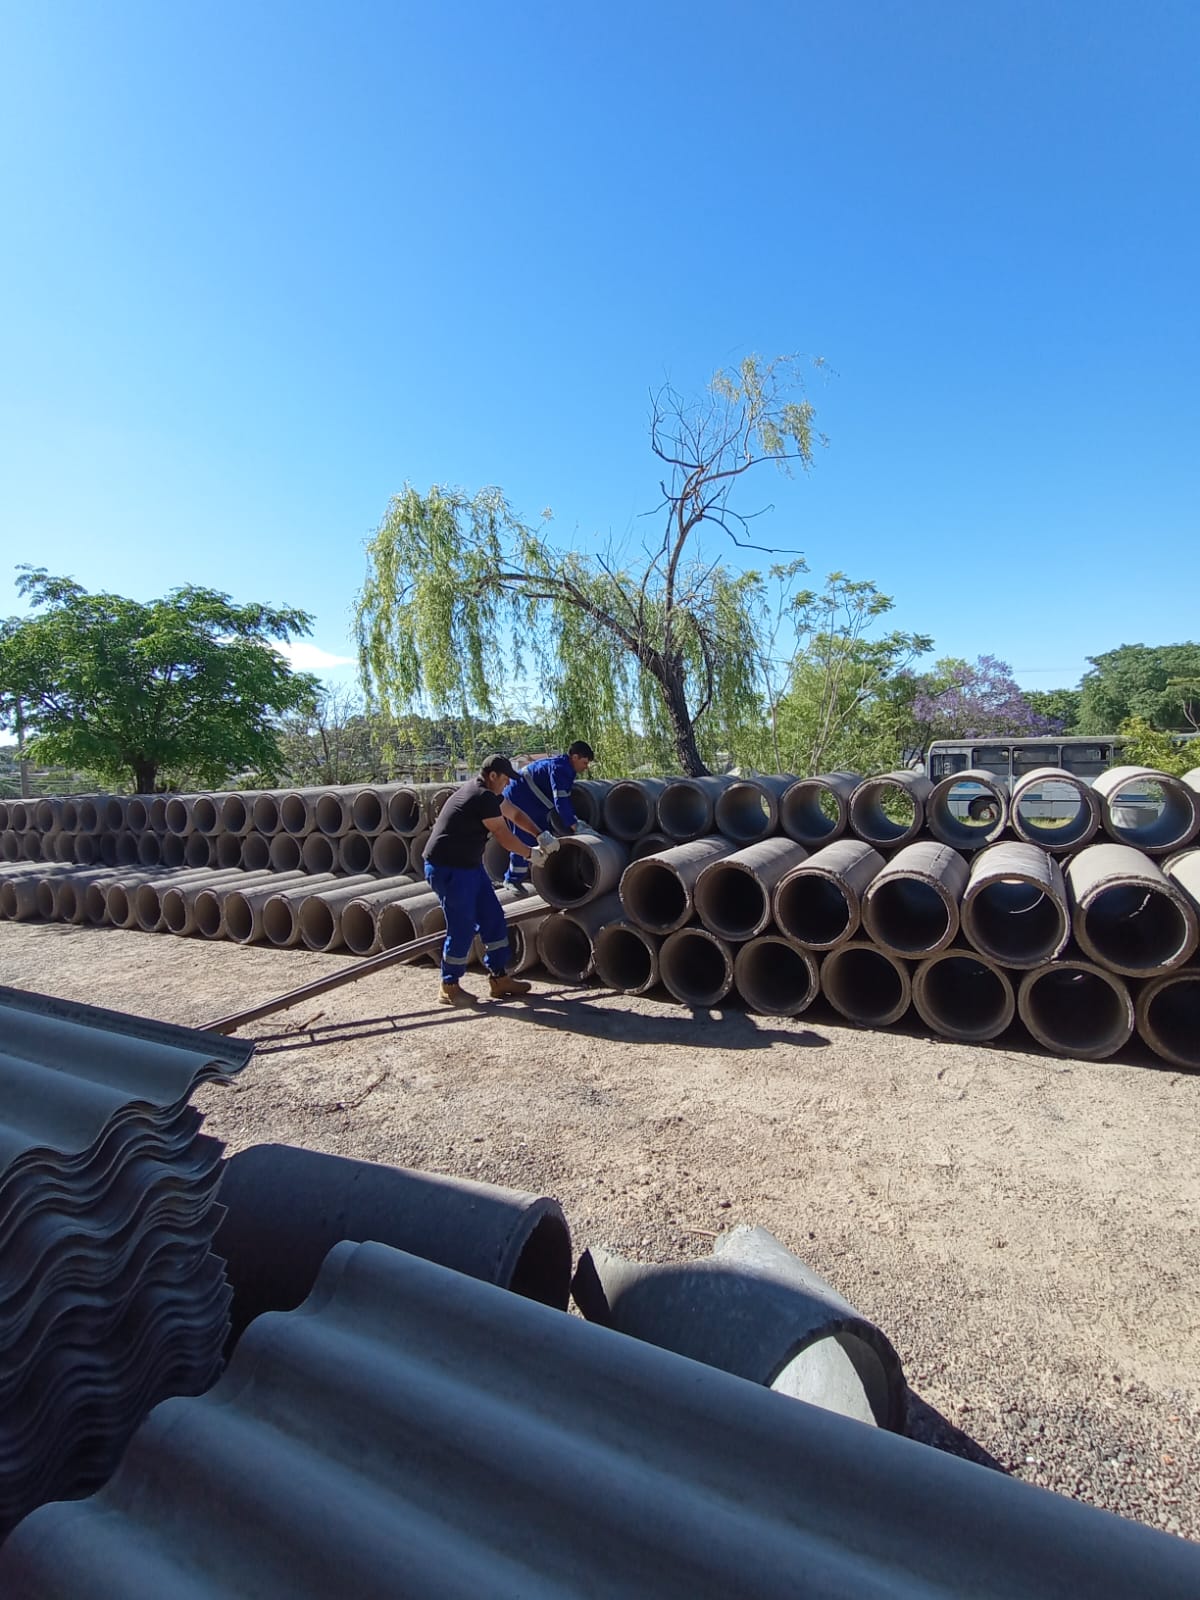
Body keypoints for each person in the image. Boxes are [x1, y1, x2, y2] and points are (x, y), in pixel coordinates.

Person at [423, 754, 546, 1007]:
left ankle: (499, 978)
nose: (507, 784)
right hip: (449, 868)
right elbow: (502, 833)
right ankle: (449, 986)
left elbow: (514, 814)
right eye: (505, 779)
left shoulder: (488, 793)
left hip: (469, 866)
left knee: (493, 917)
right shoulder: (481, 796)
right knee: (463, 926)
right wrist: (530, 854)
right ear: (492, 776)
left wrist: (540, 834)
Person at [502, 740, 594, 889]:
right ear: (575, 757)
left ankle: (541, 875)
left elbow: (563, 799)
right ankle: (512, 879)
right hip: (521, 797)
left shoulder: (566, 768)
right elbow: (561, 801)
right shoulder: (561, 768)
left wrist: (573, 821)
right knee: (525, 836)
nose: (586, 767)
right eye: (584, 762)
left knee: (545, 837)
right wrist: (575, 825)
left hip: (533, 802)